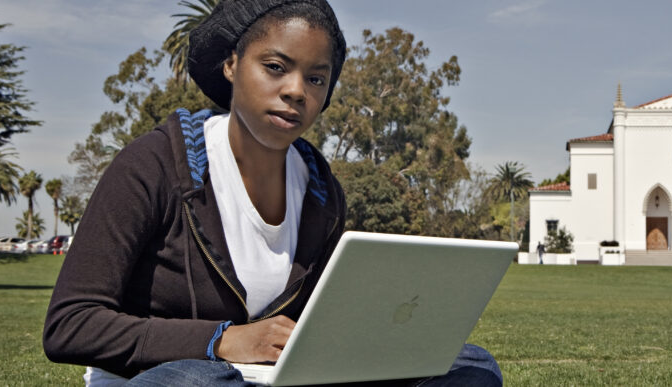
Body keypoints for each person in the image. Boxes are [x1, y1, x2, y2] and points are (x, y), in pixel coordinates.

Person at [42, 1, 502, 386]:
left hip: (273, 380)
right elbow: (70, 325)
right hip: (165, 377)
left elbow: (314, 325)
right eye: (276, 67)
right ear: (231, 65)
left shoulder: (322, 193)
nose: (296, 91)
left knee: (470, 365)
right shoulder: (155, 165)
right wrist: (219, 340)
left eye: (316, 79)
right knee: (200, 379)